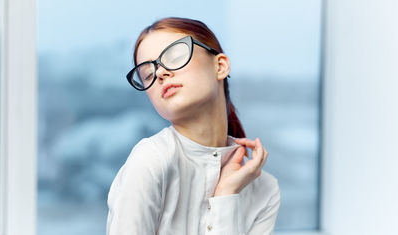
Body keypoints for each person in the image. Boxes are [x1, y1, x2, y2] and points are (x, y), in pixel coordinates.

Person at [106, 17, 281, 235]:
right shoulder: (150, 160)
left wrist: (227, 194)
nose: (160, 73)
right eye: (148, 74)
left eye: (174, 56)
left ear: (220, 66)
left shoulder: (265, 189)